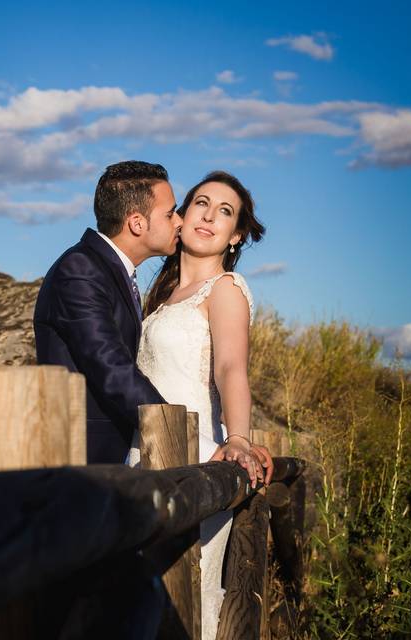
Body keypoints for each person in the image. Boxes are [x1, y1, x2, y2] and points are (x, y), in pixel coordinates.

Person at [138, 170, 271, 640]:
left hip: (196, 455)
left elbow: (231, 368)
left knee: (187, 599)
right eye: (201, 203)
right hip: (145, 453)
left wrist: (238, 438)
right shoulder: (160, 296)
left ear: (235, 235)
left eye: (225, 211)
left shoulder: (226, 289)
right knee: (139, 599)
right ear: (183, 215)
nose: (209, 215)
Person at [34, 160, 180, 464]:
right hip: (81, 460)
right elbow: (111, 367)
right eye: (170, 213)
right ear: (137, 223)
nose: (179, 221)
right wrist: (175, 431)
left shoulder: (111, 271)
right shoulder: (81, 270)